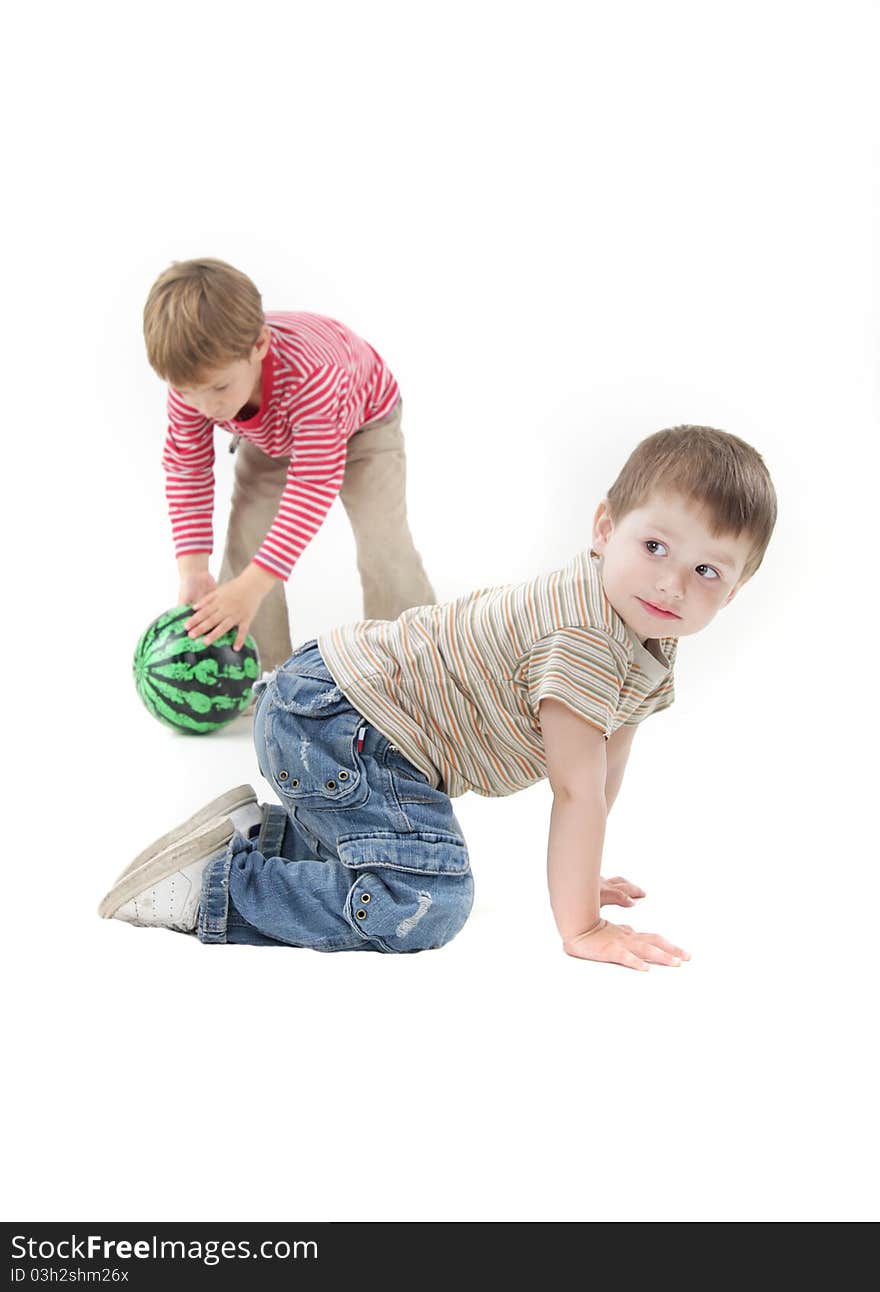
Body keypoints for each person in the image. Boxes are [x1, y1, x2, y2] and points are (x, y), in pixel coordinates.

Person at [100, 426, 777, 971]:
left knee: (404, 863)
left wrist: (584, 872)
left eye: (706, 570)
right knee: (427, 900)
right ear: (605, 528)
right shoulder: (585, 640)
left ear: (736, 589)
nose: (671, 584)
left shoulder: (645, 639)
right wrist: (583, 924)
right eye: (655, 546)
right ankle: (217, 887)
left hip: (341, 716)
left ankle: (263, 838)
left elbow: (603, 774)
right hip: (341, 723)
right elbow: (576, 791)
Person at [143, 258, 435, 672]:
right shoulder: (195, 386)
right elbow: (187, 467)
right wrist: (192, 568)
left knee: (382, 539)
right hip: (274, 432)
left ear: (258, 346)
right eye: (188, 392)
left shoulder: (313, 374)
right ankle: (258, 669)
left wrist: (253, 585)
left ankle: (416, 656)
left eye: (219, 387)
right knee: (246, 535)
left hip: (366, 425)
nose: (206, 407)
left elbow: (313, 484)